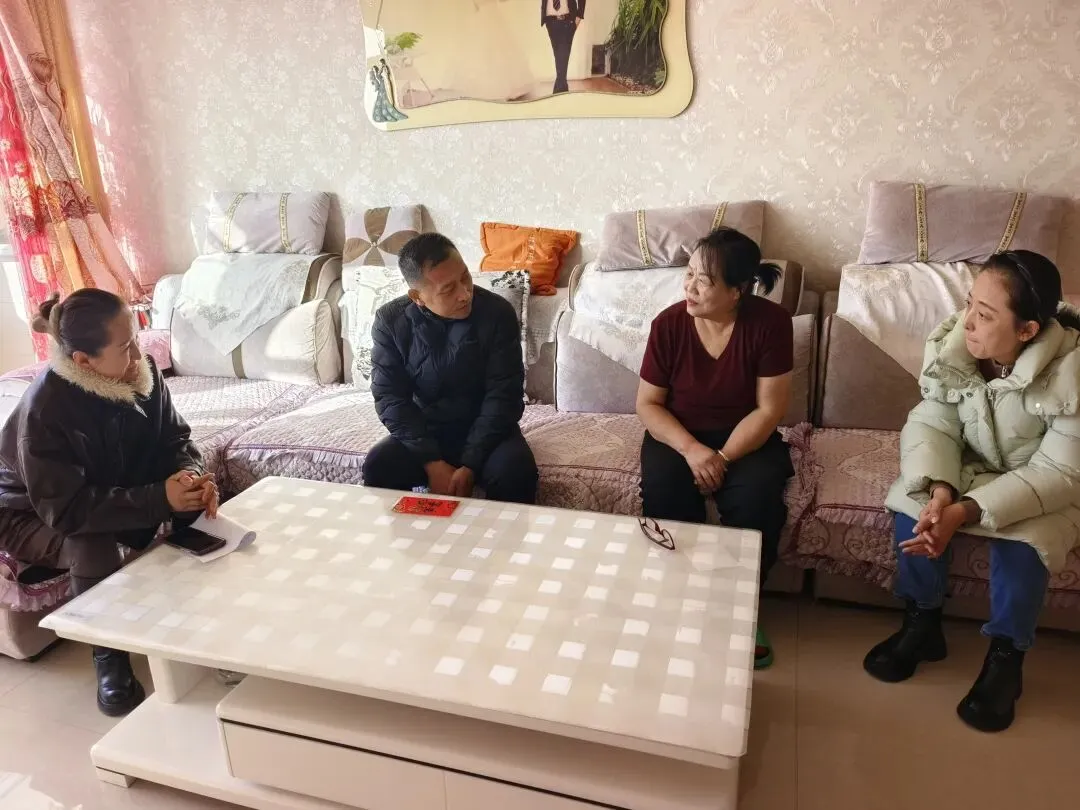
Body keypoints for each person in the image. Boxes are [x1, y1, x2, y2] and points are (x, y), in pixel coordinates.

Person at [865, 250, 1080, 733]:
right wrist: (942, 490)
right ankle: (921, 624)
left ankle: (1006, 658)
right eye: (969, 304)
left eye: (985, 314)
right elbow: (932, 421)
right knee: (914, 507)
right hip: (973, 468)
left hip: (1048, 484)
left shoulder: (1073, 372)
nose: (968, 322)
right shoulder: (958, 349)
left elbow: (1059, 472)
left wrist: (967, 510)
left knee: (1026, 544)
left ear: (1027, 330)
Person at [0, 290, 218, 717]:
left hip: (99, 489)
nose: (139, 355)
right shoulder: (46, 410)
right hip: (30, 512)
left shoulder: (141, 372)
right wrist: (158, 497)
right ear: (84, 361)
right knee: (91, 542)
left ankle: (194, 612)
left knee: (191, 501)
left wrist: (188, 475)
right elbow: (67, 510)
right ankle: (109, 658)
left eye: (136, 338)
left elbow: (175, 440)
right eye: (125, 347)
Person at [636, 227, 794, 670]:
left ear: (737, 291)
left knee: (756, 501)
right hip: (676, 433)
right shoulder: (668, 325)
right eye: (688, 274)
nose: (689, 287)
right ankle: (677, 600)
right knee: (665, 494)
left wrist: (721, 458)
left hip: (746, 436)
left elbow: (769, 410)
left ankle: (738, 611)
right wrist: (692, 450)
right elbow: (647, 404)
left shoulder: (771, 324)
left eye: (703, 281)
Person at [362, 233, 539, 504]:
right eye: (448, 289)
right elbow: (390, 398)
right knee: (379, 465)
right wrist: (432, 462)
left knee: (515, 472)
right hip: (426, 431)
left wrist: (470, 465)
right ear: (417, 297)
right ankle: (414, 533)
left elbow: (504, 395)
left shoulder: (497, 313)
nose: (465, 294)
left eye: (465, 277)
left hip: (489, 431)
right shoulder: (391, 322)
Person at [541, 0, 585, 94]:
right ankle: (561, 93)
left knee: (562, 57)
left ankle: (559, 93)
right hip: (550, 21)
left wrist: (579, 16)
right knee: (559, 59)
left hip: (567, 21)